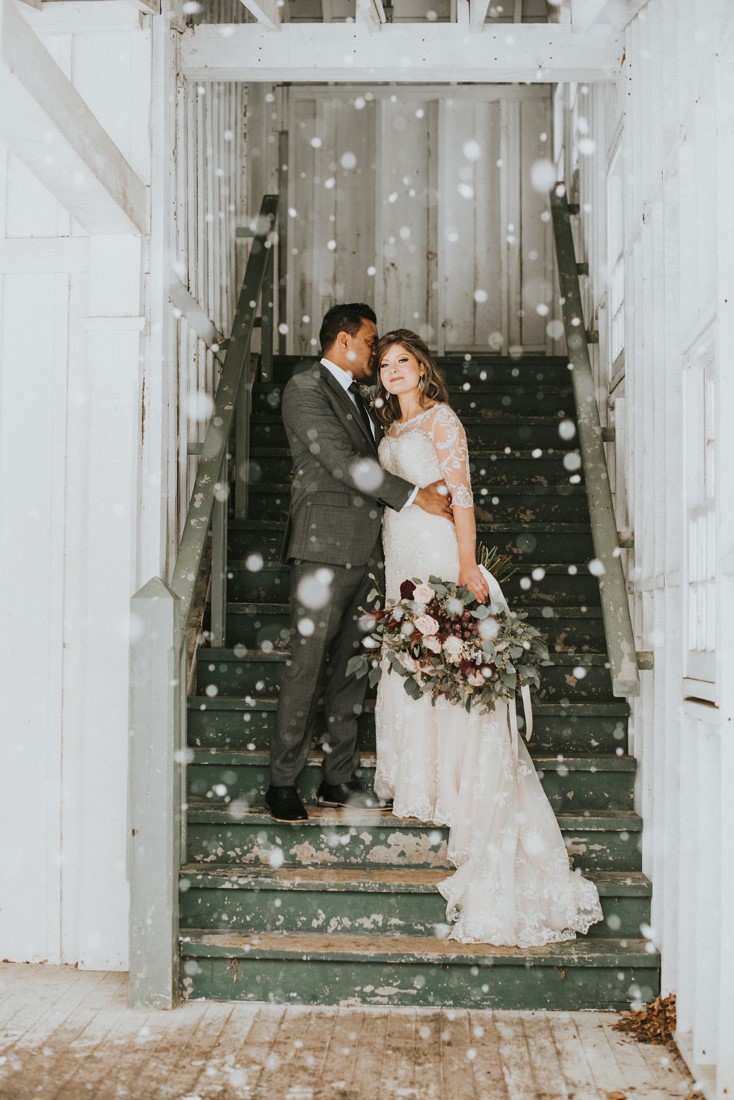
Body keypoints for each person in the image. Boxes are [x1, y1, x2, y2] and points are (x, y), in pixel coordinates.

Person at [372, 328, 603, 946]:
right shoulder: (387, 431)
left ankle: (461, 785)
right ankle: (423, 778)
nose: (393, 371)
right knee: (413, 658)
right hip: (400, 554)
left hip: (442, 552)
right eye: (385, 363)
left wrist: (469, 562)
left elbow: (463, 494)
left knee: (446, 658)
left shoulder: (441, 421)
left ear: (422, 370)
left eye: (403, 362)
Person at [267, 305, 453, 824]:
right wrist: (414, 495)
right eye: (371, 343)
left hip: (374, 550)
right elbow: (340, 461)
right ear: (345, 340)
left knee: (354, 668)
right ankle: (282, 781)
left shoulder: (365, 399)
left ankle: (337, 778)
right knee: (307, 665)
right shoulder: (305, 389)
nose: (376, 352)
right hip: (324, 547)